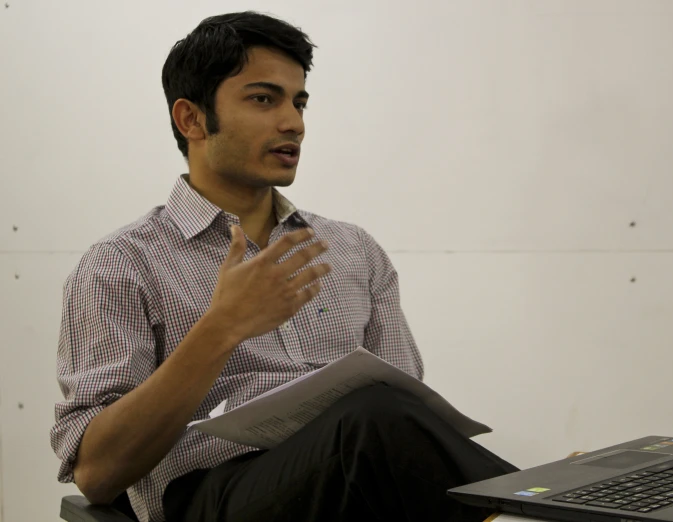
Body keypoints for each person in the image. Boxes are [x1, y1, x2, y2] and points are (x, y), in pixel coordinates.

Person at [51, 11, 517, 522]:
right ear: (192, 120)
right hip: (211, 496)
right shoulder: (121, 264)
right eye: (263, 99)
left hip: (359, 483)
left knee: (381, 419)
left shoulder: (352, 249)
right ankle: (546, 503)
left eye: (299, 102)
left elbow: (412, 419)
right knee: (371, 420)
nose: (293, 122)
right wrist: (221, 328)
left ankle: (547, 501)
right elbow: (96, 474)